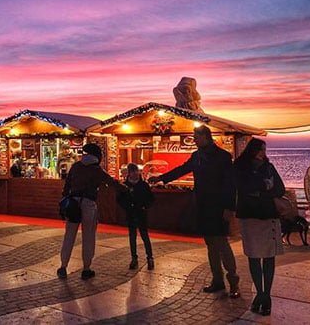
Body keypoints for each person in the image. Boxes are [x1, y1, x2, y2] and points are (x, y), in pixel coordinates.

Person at [149, 125, 240, 298]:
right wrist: (161, 178)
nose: (194, 140)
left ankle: (234, 281)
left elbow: (230, 185)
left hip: (219, 207)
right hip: (203, 206)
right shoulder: (197, 156)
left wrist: (229, 208)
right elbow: (182, 170)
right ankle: (217, 280)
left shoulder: (223, 157)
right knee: (210, 244)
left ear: (206, 137)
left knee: (221, 243)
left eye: (196, 137)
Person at [57, 143, 124, 280]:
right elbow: (111, 183)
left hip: (73, 203)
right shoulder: (97, 170)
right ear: (97, 156)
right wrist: (126, 188)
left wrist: (66, 198)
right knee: (88, 236)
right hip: (88, 204)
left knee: (69, 235)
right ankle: (86, 268)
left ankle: (63, 266)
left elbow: (67, 185)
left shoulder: (76, 166)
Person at [234, 138, 285, 316]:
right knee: (254, 257)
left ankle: (265, 296)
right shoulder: (240, 166)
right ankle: (262, 295)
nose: (264, 153)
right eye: (261, 150)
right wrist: (265, 186)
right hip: (250, 217)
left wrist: (259, 191)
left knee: (269, 257)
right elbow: (243, 186)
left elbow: (280, 188)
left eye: (265, 150)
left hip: (267, 216)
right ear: (253, 150)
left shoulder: (268, 167)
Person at [117, 163, 155, 270]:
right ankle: (134, 258)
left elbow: (151, 198)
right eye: (133, 172)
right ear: (129, 173)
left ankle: (150, 258)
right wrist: (127, 207)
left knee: (145, 236)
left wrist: (145, 206)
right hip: (131, 214)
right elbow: (119, 199)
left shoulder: (143, 185)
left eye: (136, 171)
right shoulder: (125, 186)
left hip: (141, 213)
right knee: (132, 236)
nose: (136, 174)